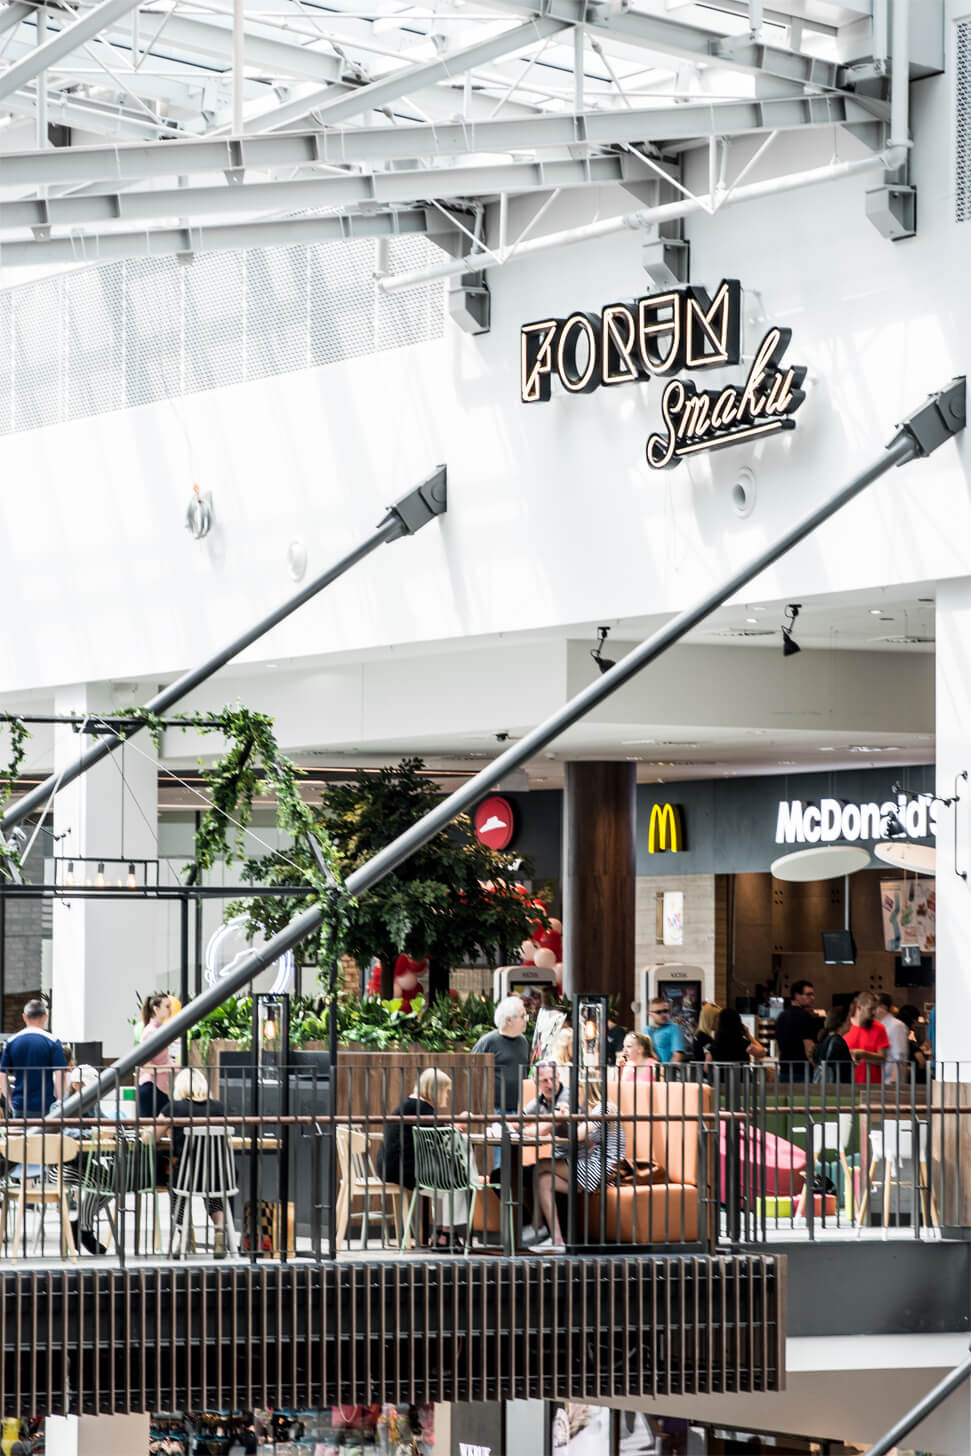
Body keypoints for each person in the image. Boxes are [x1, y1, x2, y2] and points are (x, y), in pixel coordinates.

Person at [533, 1087, 625, 1251]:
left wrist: (565, 1117)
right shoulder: (598, 1109)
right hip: (595, 1166)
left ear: (587, 1090)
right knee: (544, 1181)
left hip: (602, 1168)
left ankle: (536, 1225)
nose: (576, 1095)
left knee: (541, 1165)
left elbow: (578, 1136)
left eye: (579, 1090)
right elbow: (586, 1139)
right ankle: (557, 1240)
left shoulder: (602, 1108)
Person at [164, 1067, 231, 1257]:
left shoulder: (173, 1108)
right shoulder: (219, 1108)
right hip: (218, 1176)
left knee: (176, 1191)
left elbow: (151, 1135)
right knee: (214, 1186)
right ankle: (219, 1234)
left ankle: (184, 1236)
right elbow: (225, 1140)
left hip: (186, 1177)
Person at [0, 998, 67, 1117]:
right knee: (45, 1135)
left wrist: (10, 1100)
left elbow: (2, 1073)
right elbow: (60, 1073)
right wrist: (59, 1100)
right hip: (46, 1103)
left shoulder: (11, 1042)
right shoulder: (53, 1041)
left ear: (24, 1017)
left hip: (20, 1103)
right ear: (45, 1017)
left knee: (22, 1135)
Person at [471, 996, 531, 1115]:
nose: (527, 1020)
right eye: (523, 1016)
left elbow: (526, 1070)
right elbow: (472, 1072)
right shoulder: (488, 1042)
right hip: (494, 1109)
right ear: (508, 1020)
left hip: (519, 1108)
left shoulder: (523, 1042)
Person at [136, 993, 178, 1120]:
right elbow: (146, 1066)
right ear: (156, 1008)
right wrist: (170, 1067)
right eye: (167, 1006)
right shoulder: (151, 1033)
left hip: (157, 1087)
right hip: (151, 1086)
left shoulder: (158, 1031)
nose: (170, 1010)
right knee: (152, 1130)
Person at [773, 981, 819, 1082]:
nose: (812, 998)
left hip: (784, 1071)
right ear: (797, 996)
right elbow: (809, 1048)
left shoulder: (781, 1017)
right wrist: (818, 1067)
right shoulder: (805, 1017)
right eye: (808, 994)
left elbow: (779, 1047)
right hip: (802, 1072)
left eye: (813, 994)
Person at [843, 992, 889, 1085]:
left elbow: (883, 1059)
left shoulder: (879, 1029)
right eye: (871, 1009)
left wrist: (862, 1053)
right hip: (847, 1085)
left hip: (872, 1086)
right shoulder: (844, 1027)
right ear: (859, 1007)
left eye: (875, 1009)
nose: (874, 1012)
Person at [875, 993, 910, 1085]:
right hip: (880, 1081)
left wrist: (893, 1084)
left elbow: (899, 1057)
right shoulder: (879, 1026)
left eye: (873, 1006)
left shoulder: (896, 1026)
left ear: (882, 1008)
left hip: (890, 1083)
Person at [813, 1007, 854, 1084]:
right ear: (841, 1022)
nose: (851, 1023)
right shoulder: (837, 1041)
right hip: (837, 1088)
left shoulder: (825, 1039)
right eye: (848, 1019)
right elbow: (834, 1065)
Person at [644, 999, 686, 1065]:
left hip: (666, 1072)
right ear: (649, 1014)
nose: (664, 1014)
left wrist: (664, 1073)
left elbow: (678, 1056)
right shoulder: (646, 1030)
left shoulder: (674, 1028)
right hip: (648, 1071)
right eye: (658, 1012)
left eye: (666, 1011)